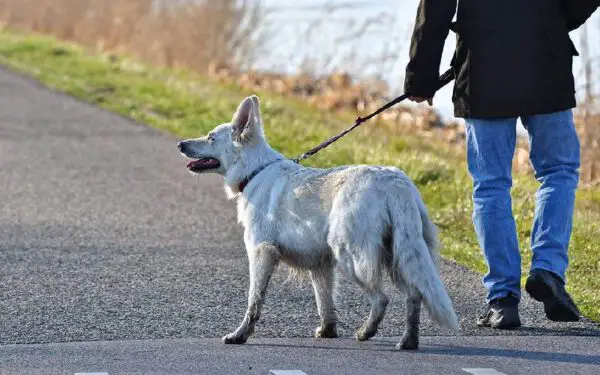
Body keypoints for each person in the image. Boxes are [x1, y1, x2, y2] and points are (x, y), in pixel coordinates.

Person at [404, 0, 600, 329]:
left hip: (483, 66)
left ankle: (502, 299)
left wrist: (420, 77)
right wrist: (552, 19)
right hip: (544, 57)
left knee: (491, 184)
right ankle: (548, 268)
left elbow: (435, 7)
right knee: (558, 172)